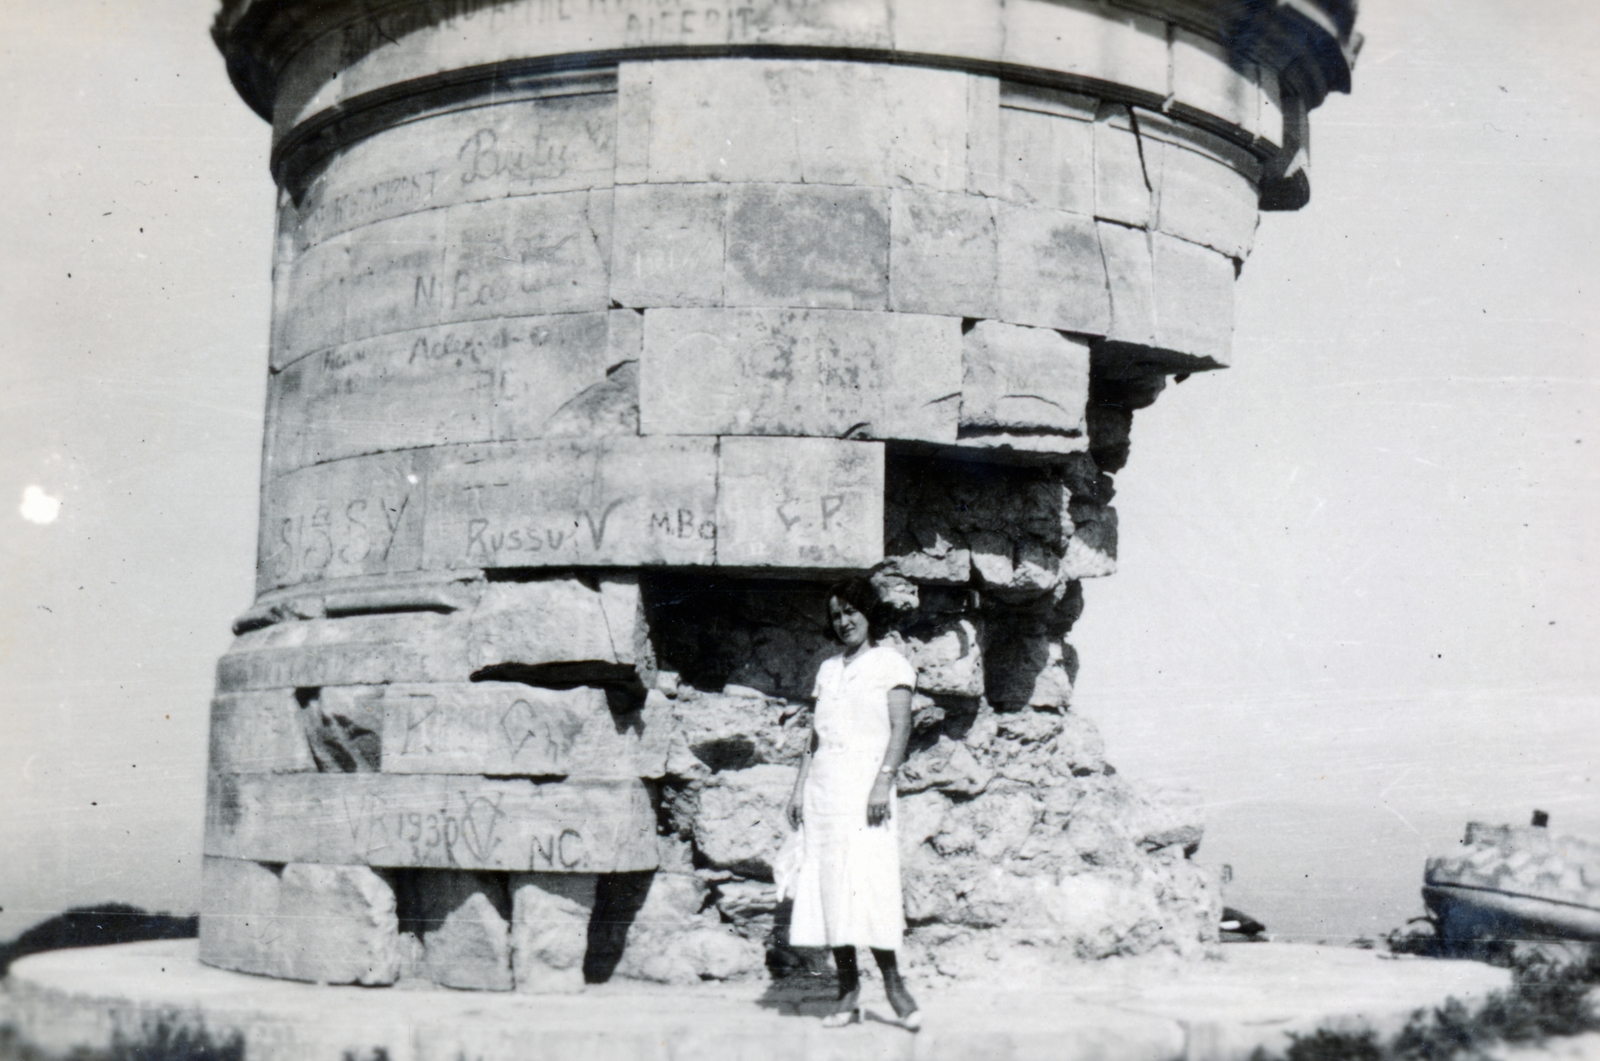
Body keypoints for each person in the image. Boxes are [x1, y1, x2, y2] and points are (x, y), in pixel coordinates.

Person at [784, 577, 920, 1030]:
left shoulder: (891, 663)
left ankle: (894, 985)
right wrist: (799, 788)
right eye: (836, 615)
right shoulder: (828, 671)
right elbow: (814, 739)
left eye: (850, 611)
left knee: (870, 884)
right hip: (825, 792)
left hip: (867, 793)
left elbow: (900, 729)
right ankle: (847, 993)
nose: (844, 622)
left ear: (869, 612)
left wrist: (883, 783)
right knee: (829, 888)